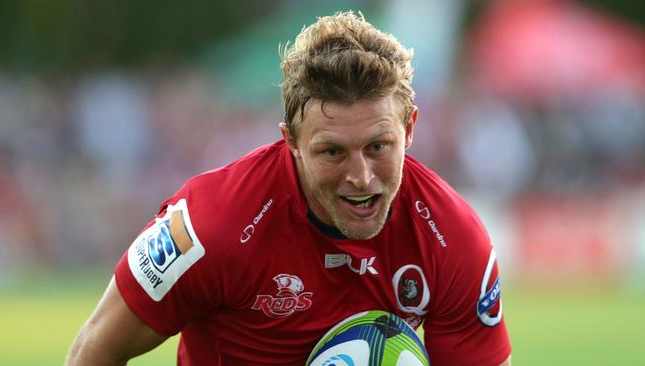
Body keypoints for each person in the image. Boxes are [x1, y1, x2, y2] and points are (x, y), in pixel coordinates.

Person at [67, 11, 511, 366]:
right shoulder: (209, 226)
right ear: (291, 142)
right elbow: (95, 350)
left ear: (410, 128)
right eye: (332, 152)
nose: (361, 176)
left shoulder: (452, 238)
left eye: (378, 146)